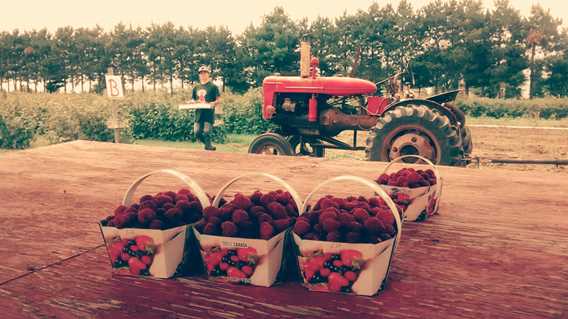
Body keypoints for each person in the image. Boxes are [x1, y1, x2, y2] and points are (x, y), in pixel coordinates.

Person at [192, 65, 220, 151]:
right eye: (201, 73)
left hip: (209, 113)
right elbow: (193, 99)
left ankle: (208, 147)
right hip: (199, 113)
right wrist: (192, 102)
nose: (203, 74)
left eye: (205, 73)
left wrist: (213, 103)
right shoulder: (196, 87)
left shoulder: (213, 86)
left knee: (207, 131)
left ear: (208, 74)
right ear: (199, 75)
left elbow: (218, 100)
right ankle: (208, 145)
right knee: (197, 133)